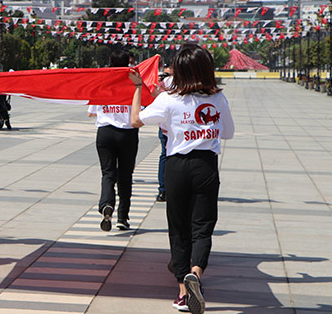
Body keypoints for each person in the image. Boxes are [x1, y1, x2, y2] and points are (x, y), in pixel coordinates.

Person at [129, 44, 234, 314]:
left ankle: (183, 293)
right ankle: (196, 273)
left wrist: (138, 88)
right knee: (203, 225)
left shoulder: (169, 99)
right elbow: (229, 133)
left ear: (179, 71)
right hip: (206, 167)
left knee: (178, 228)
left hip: (176, 166)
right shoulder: (218, 98)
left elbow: (135, 121)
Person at [88, 49, 138, 232]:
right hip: (127, 133)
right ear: (128, 63)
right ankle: (122, 217)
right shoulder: (133, 83)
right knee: (125, 176)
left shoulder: (102, 82)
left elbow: (91, 111)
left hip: (105, 133)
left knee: (108, 173)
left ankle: (106, 205)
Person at [156, 63, 174, 202]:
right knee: (165, 156)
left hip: (177, 127)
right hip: (165, 127)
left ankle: (170, 188)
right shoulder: (161, 85)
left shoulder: (180, 84)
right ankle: (163, 189)